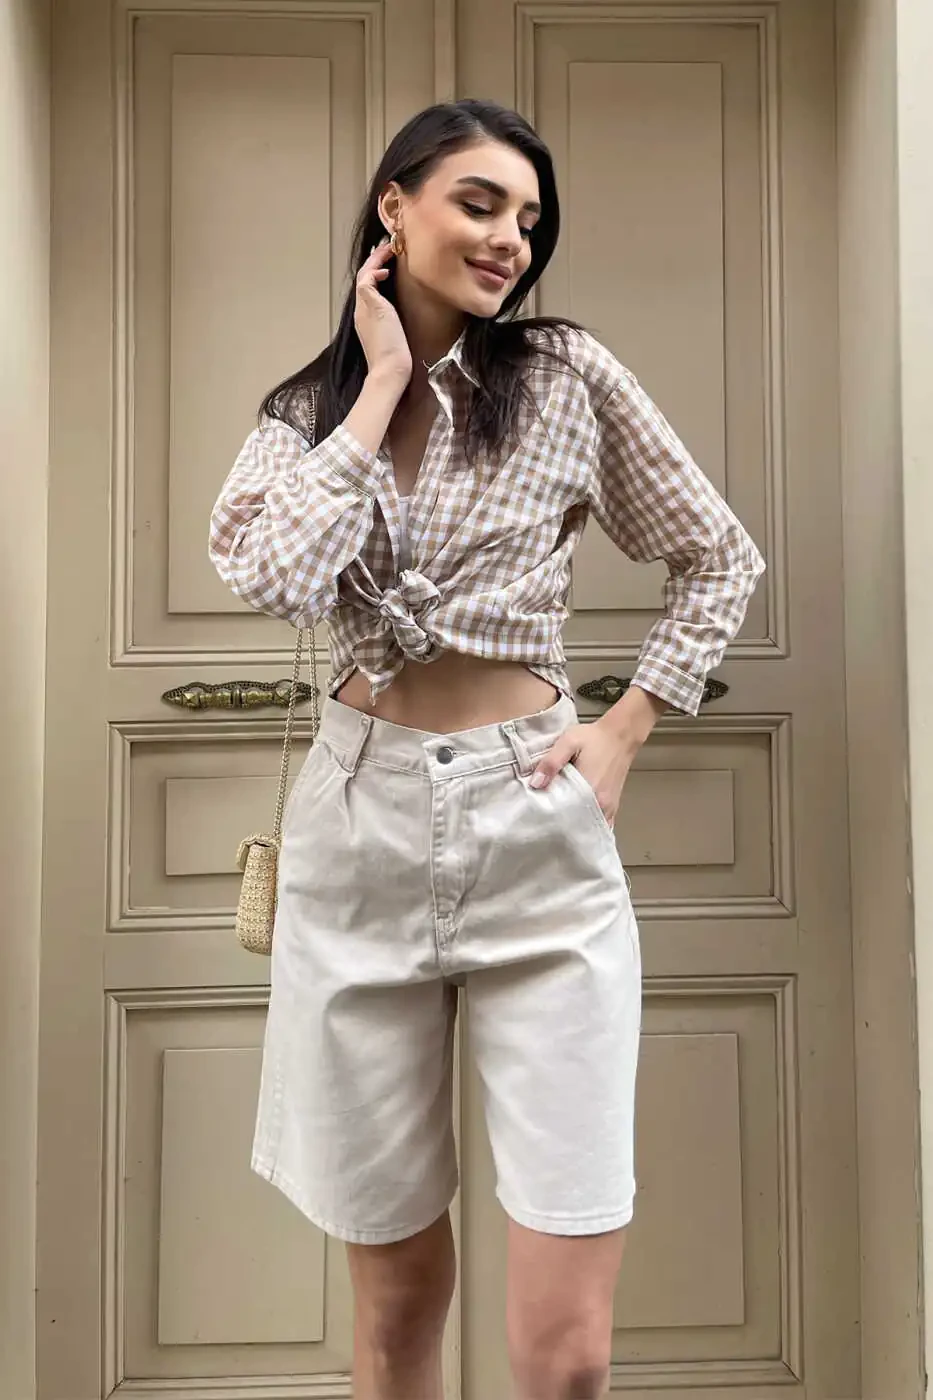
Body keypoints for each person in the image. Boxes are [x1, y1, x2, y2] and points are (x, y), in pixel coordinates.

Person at [209, 98, 765, 1400]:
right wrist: (378, 393)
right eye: (478, 202)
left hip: (535, 826)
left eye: (528, 217)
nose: (511, 236)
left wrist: (625, 727)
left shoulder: (566, 376)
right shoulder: (305, 413)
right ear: (393, 208)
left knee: (567, 1354)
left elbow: (717, 556)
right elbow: (274, 578)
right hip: (359, 832)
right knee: (398, 1311)